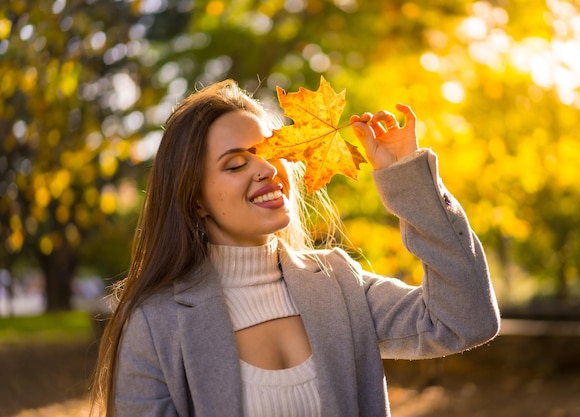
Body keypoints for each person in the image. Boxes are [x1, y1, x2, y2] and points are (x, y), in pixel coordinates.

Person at [90, 79, 500, 417]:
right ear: (195, 199)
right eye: (235, 164)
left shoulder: (339, 283)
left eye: (272, 152)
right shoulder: (156, 323)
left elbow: (466, 320)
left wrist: (408, 180)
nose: (266, 169)